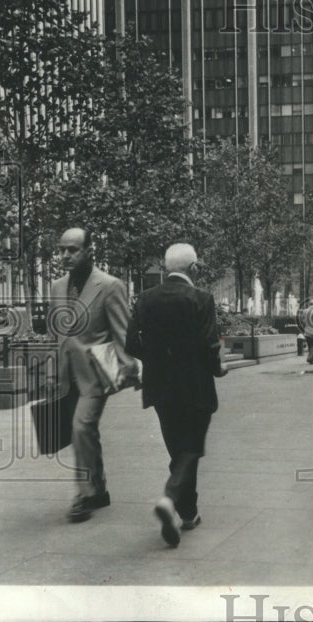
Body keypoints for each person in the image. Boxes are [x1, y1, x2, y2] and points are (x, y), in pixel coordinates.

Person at [125, 244, 226, 547]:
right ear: (193, 268)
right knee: (191, 448)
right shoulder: (202, 299)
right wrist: (217, 368)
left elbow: (131, 344)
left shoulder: (144, 299)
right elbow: (210, 343)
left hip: (160, 387)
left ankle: (188, 512)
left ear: (167, 268)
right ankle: (170, 498)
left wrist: (156, 360)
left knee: (178, 449)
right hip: (195, 385)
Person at [49, 228, 137, 523]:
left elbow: (121, 330)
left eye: (72, 250)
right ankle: (98, 489)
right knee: (84, 431)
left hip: (94, 374)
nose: (64, 256)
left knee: (81, 427)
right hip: (65, 373)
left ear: (89, 251)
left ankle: (84, 494)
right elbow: (57, 334)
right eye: (61, 250)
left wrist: (128, 369)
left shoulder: (110, 286)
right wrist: (52, 372)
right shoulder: (57, 287)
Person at [300, 299, 313, 364]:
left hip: (307, 330)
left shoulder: (304, 311)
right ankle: (309, 357)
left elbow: (302, 320)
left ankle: (312, 360)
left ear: (309, 304)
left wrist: (305, 325)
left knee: (309, 345)